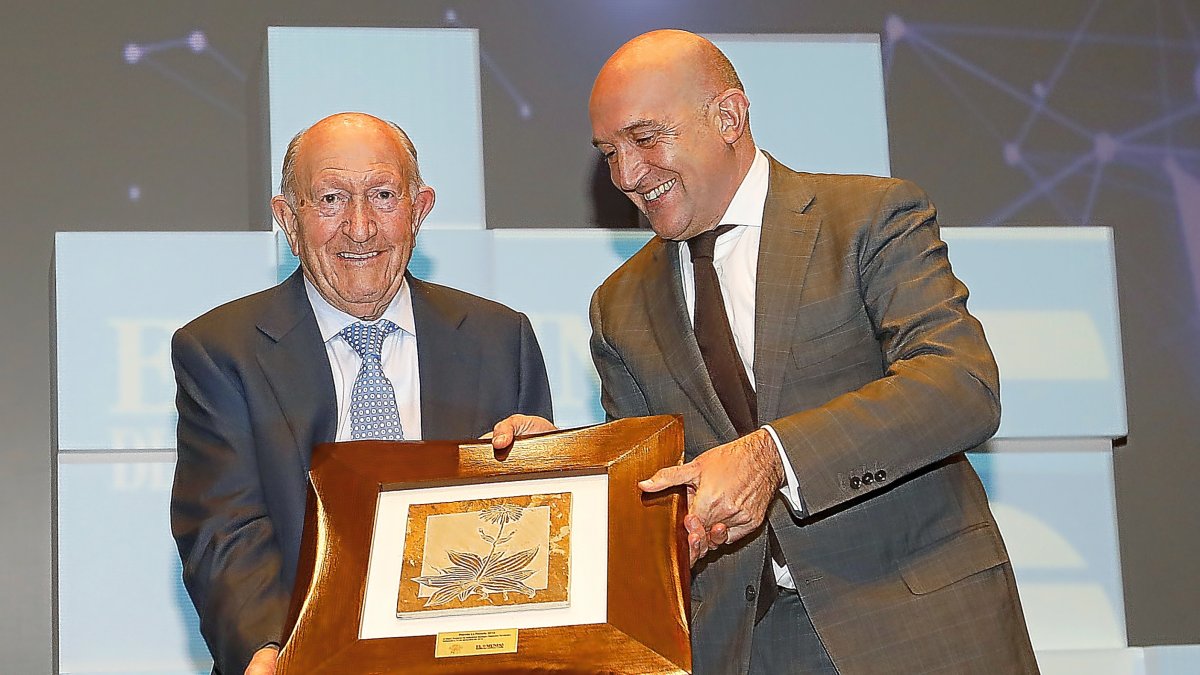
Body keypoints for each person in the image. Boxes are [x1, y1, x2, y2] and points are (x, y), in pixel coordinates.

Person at [585, 30, 1037, 673]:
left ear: (729, 116)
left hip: (918, 626)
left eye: (646, 139)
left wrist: (774, 454)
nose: (627, 176)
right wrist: (562, 469)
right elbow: (654, 490)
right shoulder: (617, 306)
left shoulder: (869, 217)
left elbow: (959, 383)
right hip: (745, 650)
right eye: (609, 153)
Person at [170, 112, 553, 675]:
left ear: (419, 209)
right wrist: (268, 655)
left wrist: (551, 473)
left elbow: (533, 540)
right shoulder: (221, 350)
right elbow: (225, 531)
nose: (361, 227)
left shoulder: (501, 339)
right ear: (287, 220)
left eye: (382, 195)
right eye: (330, 199)